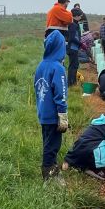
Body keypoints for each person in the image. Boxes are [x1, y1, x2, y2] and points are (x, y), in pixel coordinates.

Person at [34, 31, 69, 180]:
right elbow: (60, 94)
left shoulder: (41, 65)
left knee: (47, 142)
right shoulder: (58, 68)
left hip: (43, 113)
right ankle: (49, 176)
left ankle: (52, 169)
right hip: (54, 115)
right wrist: (62, 115)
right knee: (52, 146)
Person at [66, 17, 82, 86]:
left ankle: (73, 82)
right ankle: (71, 83)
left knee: (75, 65)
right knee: (73, 66)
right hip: (72, 48)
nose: (81, 17)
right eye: (80, 16)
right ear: (76, 16)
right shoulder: (73, 25)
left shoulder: (75, 25)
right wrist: (80, 43)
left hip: (74, 48)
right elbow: (72, 38)